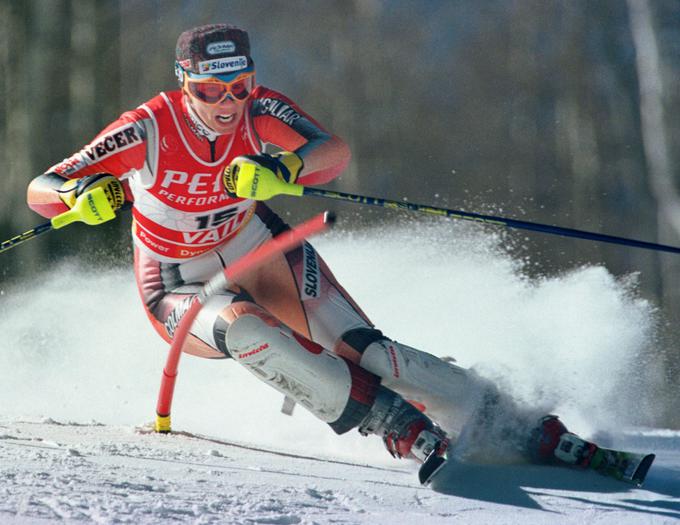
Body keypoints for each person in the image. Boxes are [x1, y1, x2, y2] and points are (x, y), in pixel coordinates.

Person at [26, 24, 600, 484]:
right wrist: (77, 195)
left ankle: (516, 421)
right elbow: (42, 188)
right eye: (208, 90)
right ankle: (391, 423)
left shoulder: (260, 111)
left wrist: (283, 167)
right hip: (175, 277)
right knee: (248, 329)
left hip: (254, 242)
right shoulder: (147, 128)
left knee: (367, 351)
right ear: (184, 85)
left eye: (239, 86)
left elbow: (333, 149)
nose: (226, 103)